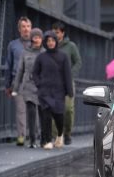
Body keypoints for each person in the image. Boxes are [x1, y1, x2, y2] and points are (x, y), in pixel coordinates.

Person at [32, 31, 74, 149]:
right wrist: (39, 84)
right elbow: (35, 73)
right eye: (48, 41)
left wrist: (69, 91)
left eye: (52, 41)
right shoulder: (41, 57)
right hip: (44, 91)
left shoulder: (63, 56)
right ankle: (47, 141)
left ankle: (60, 134)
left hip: (58, 91)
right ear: (45, 43)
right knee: (45, 117)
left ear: (56, 42)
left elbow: (67, 74)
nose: (50, 43)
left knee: (59, 116)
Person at [12, 28, 44, 147]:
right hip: (28, 86)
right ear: (32, 38)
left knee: (41, 113)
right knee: (31, 113)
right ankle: (32, 139)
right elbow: (20, 71)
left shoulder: (45, 53)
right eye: (35, 37)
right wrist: (15, 88)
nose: (37, 40)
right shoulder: (25, 52)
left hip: (41, 87)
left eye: (39, 37)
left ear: (42, 39)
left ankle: (42, 136)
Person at [5, 16, 33, 146]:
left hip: (34, 83)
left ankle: (34, 134)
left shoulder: (37, 44)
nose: (26, 29)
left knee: (34, 109)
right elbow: (9, 65)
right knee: (21, 110)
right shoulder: (13, 45)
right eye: (23, 27)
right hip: (18, 82)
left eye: (28, 26)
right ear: (19, 29)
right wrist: (8, 85)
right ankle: (21, 135)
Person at [54, 23, 82, 145]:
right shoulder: (50, 46)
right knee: (53, 108)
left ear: (62, 33)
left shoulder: (71, 46)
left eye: (57, 32)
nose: (55, 35)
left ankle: (67, 133)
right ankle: (55, 135)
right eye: (54, 32)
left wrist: (70, 74)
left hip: (67, 82)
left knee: (68, 109)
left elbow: (78, 62)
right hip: (53, 82)